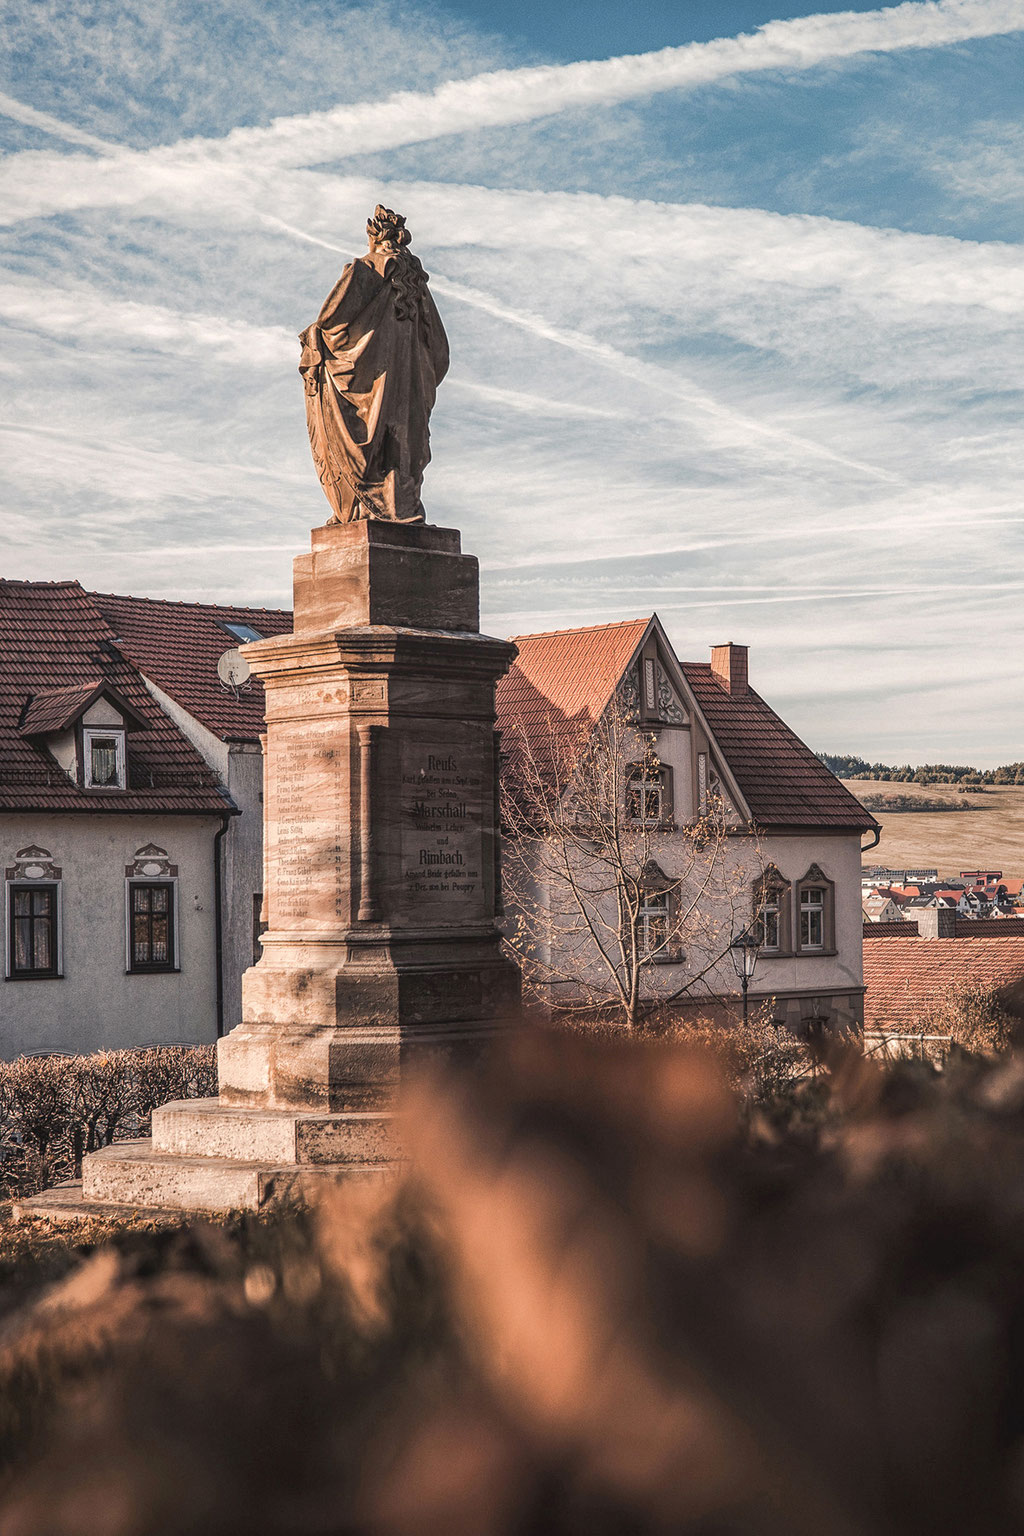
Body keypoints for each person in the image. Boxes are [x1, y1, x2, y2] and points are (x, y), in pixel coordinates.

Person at [298, 206, 450, 523]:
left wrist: (314, 337)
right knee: (404, 439)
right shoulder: (416, 283)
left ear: (373, 237)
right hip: (412, 381)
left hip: (375, 380)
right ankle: (401, 507)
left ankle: (366, 507)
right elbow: (439, 348)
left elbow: (330, 319)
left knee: (374, 436)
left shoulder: (366, 269)